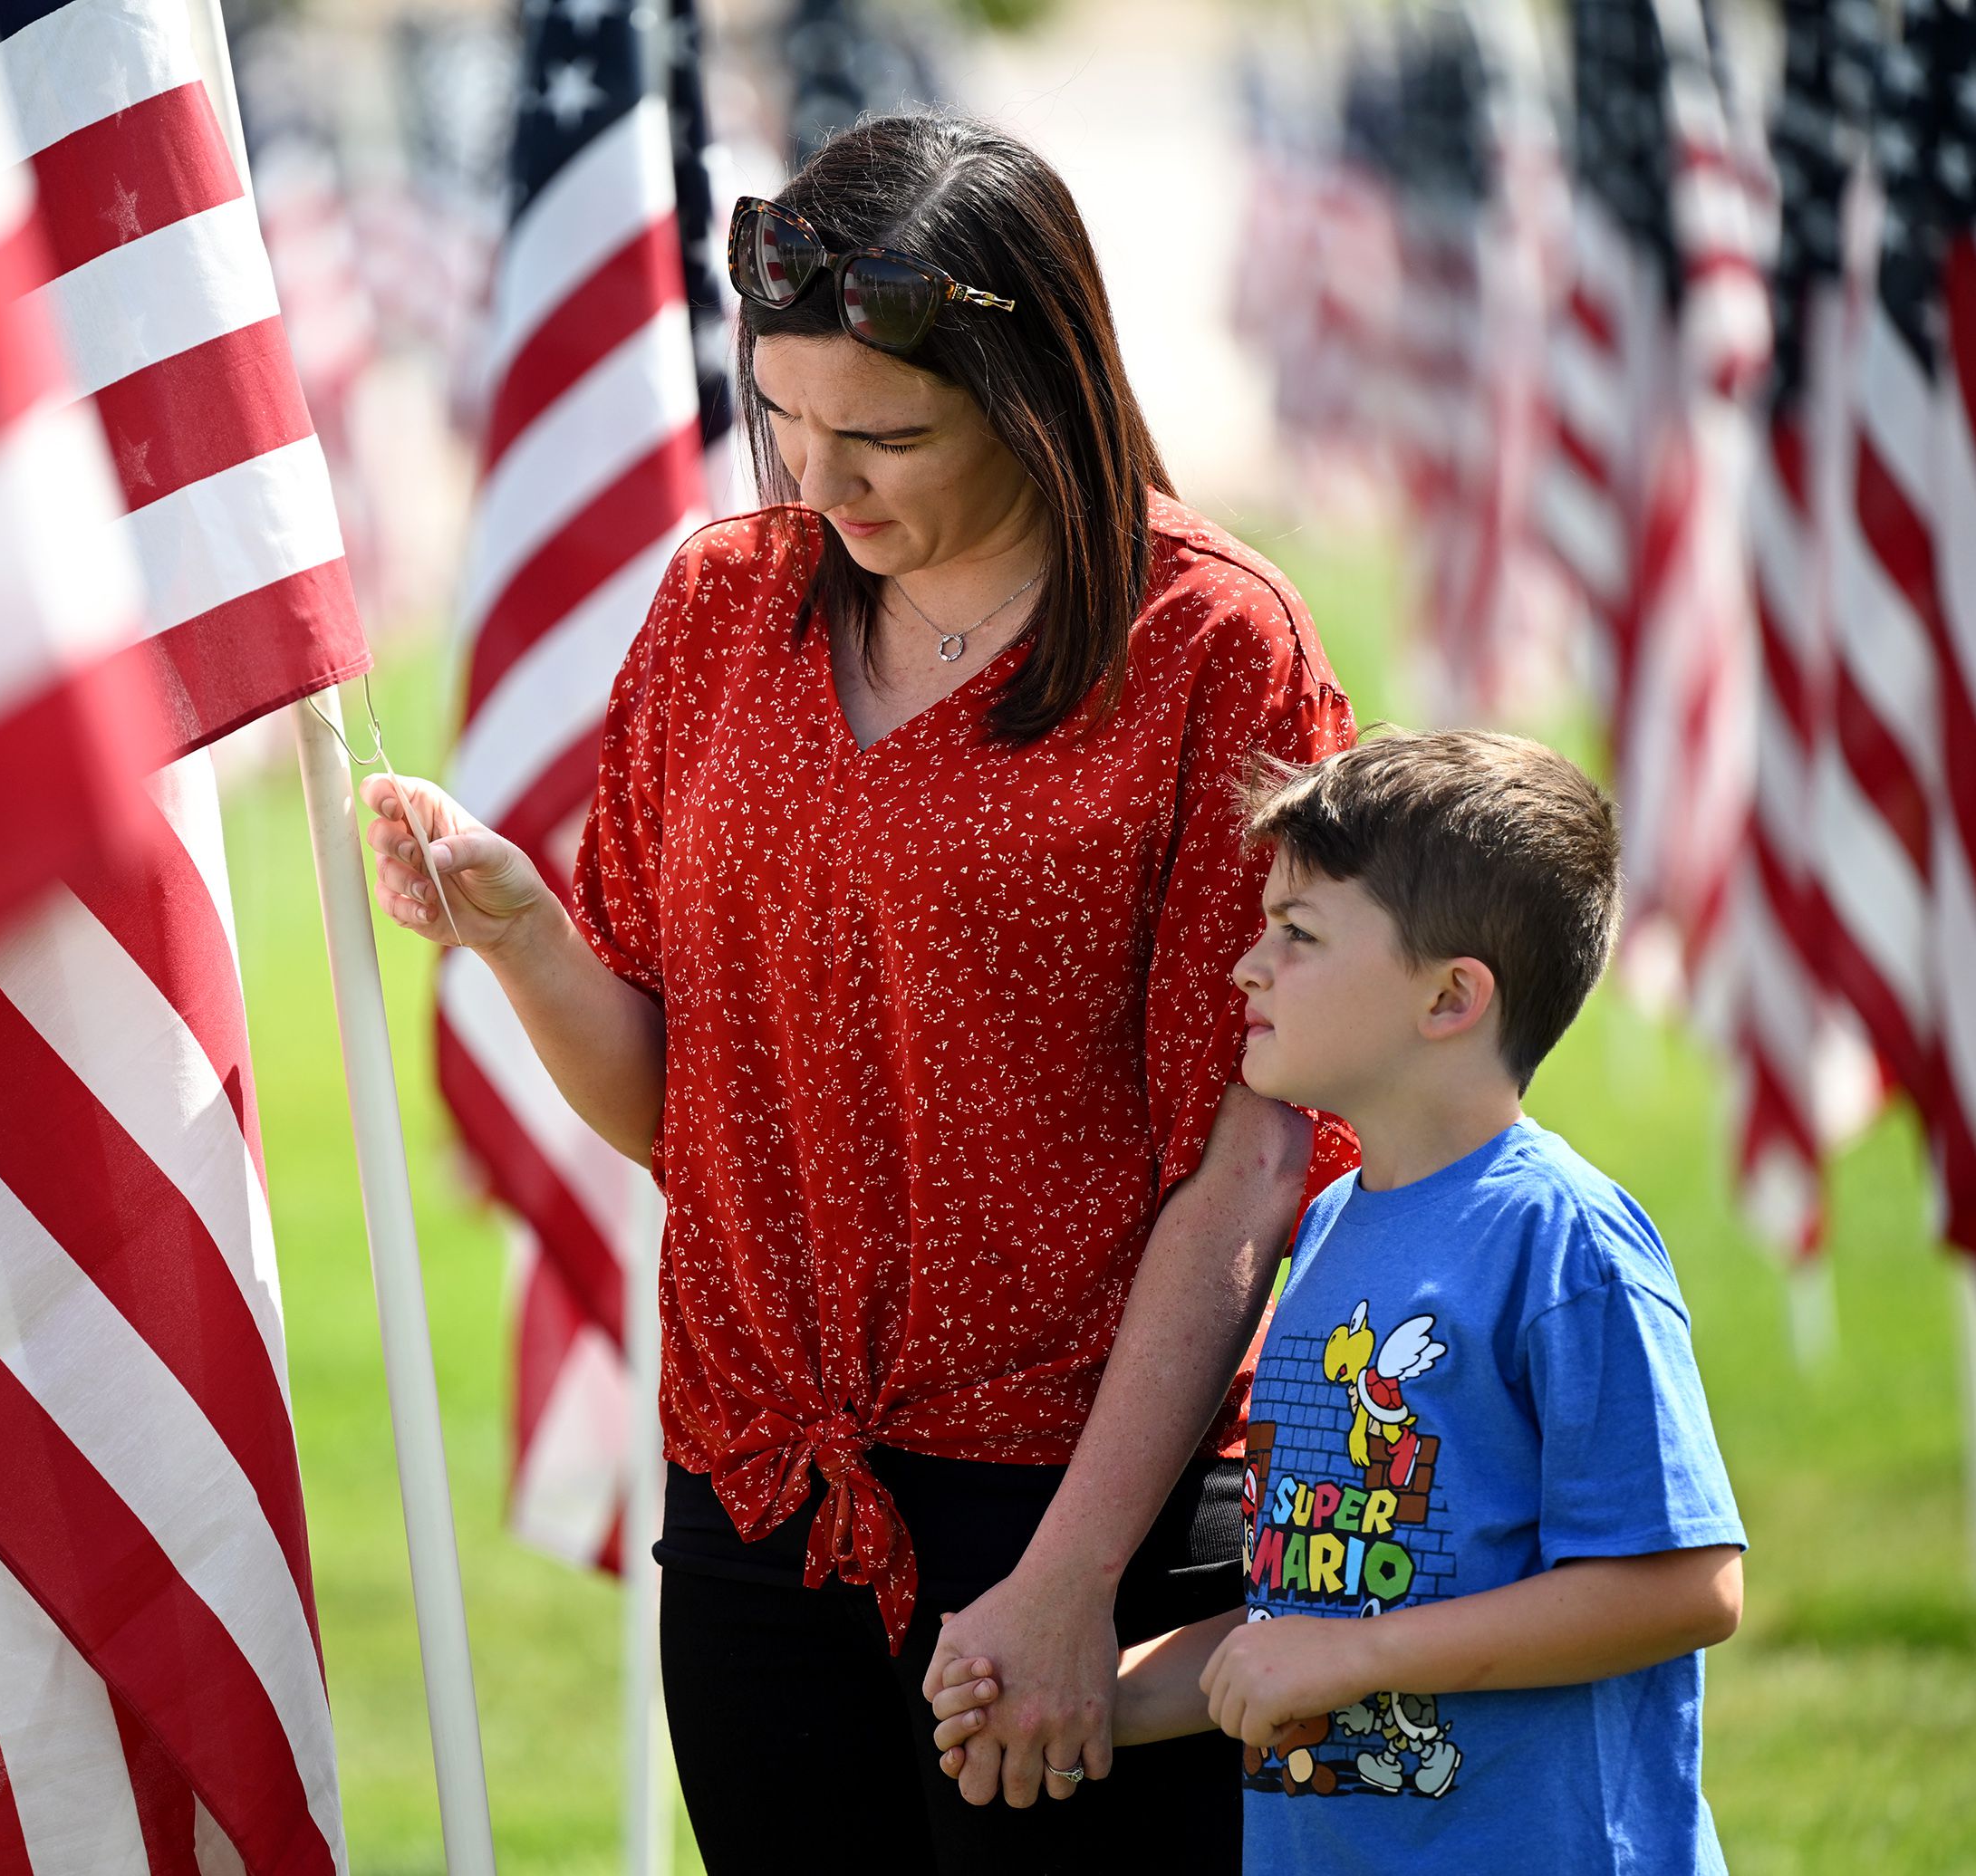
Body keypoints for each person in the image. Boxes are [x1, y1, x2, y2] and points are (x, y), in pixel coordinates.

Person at [363, 111, 1355, 1866]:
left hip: (1072, 1489)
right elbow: (683, 1111)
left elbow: (1252, 1157)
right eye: (786, 421)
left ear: (1034, 388)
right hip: (754, 1476)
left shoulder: (1212, 641)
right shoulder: (718, 605)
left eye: (886, 433)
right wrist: (521, 935)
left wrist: (1071, 1580)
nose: (823, 483)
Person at [930, 731, 1748, 1870]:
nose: (1246, 968)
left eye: (1298, 936)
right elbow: (1306, 1620)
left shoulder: (1560, 1239)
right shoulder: (1322, 1238)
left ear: (1451, 997)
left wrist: (1356, 1660)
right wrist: (1076, 1696)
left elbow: (1683, 1588)